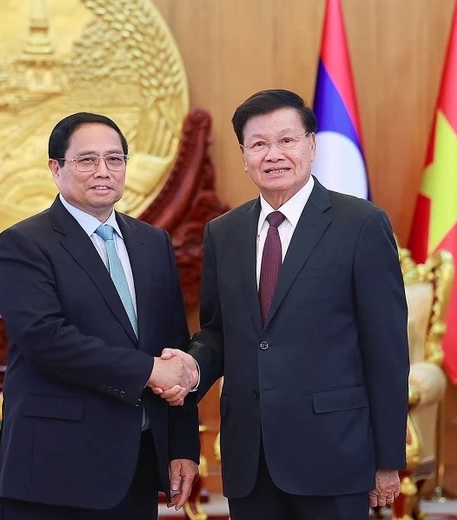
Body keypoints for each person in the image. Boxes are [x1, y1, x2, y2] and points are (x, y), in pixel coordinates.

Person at [158, 89, 409, 519]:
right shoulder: (224, 232)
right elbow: (219, 330)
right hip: (250, 457)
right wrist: (190, 369)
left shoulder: (361, 225)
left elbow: (386, 349)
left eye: (287, 140)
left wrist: (387, 458)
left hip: (334, 453)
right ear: (244, 155)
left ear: (311, 145)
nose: (273, 154)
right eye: (259, 144)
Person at [0, 112, 200, 520]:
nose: (103, 171)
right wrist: (148, 370)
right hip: (54, 468)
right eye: (87, 160)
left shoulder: (152, 243)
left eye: (115, 159)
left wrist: (182, 449)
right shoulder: (24, 243)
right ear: (56, 168)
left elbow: (175, 347)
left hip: (136, 465)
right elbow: (45, 339)